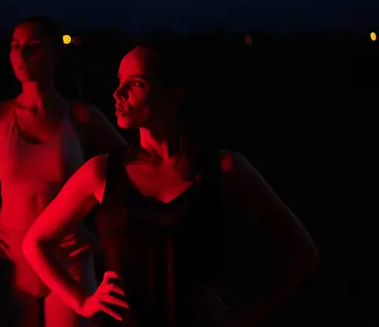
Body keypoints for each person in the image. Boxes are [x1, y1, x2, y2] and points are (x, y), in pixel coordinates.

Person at [22, 45, 319, 326]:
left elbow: (302, 251)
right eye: (119, 80)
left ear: (174, 97)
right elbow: (35, 242)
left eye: (136, 83)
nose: (117, 93)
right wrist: (83, 302)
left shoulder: (222, 168)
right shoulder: (102, 173)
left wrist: (242, 316)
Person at [0, 15, 126, 326]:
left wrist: (103, 239)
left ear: (57, 53)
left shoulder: (81, 116)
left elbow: (133, 170)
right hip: (11, 258)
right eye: (16, 46)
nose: (23, 53)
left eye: (34, 46)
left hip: (67, 259)